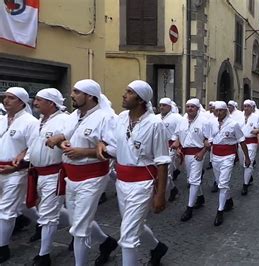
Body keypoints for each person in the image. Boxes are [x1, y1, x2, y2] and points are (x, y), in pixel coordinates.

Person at [97, 80, 170, 266]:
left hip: (142, 184)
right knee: (133, 224)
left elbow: (162, 162)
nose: (124, 95)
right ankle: (157, 247)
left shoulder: (155, 124)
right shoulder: (121, 118)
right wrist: (102, 145)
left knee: (128, 236)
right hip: (121, 182)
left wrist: (160, 195)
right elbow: (114, 145)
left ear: (140, 99)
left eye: (129, 92)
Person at [46, 79, 118, 266]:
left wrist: (84, 152)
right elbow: (64, 135)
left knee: (80, 228)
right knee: (76, 219)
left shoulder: (106, 117)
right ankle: (106, 242)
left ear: (90, 96)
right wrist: (62, 143)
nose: (72, 95)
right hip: (71, 176)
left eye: (77, 92)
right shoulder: (74, 115)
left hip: (92, 176)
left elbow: (115, 149)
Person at [24, 88, 69, 266]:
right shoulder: (39, 121)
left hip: (54, 174)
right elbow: (32, 145)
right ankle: (97, 236)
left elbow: (70, 140)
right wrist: (24, 156)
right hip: (38, 174)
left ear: (51, 103)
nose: (35, 103)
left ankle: (44, 256)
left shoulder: (65, 121)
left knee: (48, 215)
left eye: (39, 100)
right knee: (56, 211)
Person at [0, 87, 39, 263]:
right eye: (4, 97)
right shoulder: (1, 120)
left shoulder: (30, 122)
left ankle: (2, 248)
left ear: (22, 102)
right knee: (23, 206)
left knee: (6, 211)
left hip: (16, 172)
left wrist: (20, 163)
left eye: (11, 98)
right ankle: (46, 222)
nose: (6, 101)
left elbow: (34, 147)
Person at [171, 98, 212, 222]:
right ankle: (200, 198)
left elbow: (209, 140)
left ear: (197, 108)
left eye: (192, 107)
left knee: (193, 180)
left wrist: (202, 152)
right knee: (190, 178)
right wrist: (177, 146)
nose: (189, 109)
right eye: (188, 106)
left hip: (197, 153)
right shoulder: (182, 121)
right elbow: (178, 136)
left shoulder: (204, 122)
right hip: (185, 154)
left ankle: (189, 208)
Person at [210, 101, 250, 226]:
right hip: (215, 155)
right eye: (216, 110)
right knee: (219, 181)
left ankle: (220, 210)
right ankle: (228, 200)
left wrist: (246, 158)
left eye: (221, 110)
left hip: (228, 156)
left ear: (226, 111)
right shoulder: (212, 123)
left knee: (223, 183)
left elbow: (242, 141)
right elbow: (208, 138)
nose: (218, 112)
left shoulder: (234, 124)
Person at [157, 97, 184, 201]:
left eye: (164, 105)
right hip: (158, 147)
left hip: (170, 146)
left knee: (166, 172)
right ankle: (173, 189)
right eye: (160, 105)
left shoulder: (177, 118)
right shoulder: (156, 117)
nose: (161, 107)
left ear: (169, 106)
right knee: (158, 172)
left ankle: (162, 195)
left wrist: (178, 143)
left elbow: (182, 131)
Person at [238, 99, 259, 195]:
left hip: (251, 142)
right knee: (242, 163)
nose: (246, 108)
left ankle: (245, 185)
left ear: (252, 108)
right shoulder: (238, 117)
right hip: (241, 143)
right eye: (245, 106)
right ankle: (249, 176)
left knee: (248, 163)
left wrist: (258, 130)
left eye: (248, 106)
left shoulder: (256, 117)